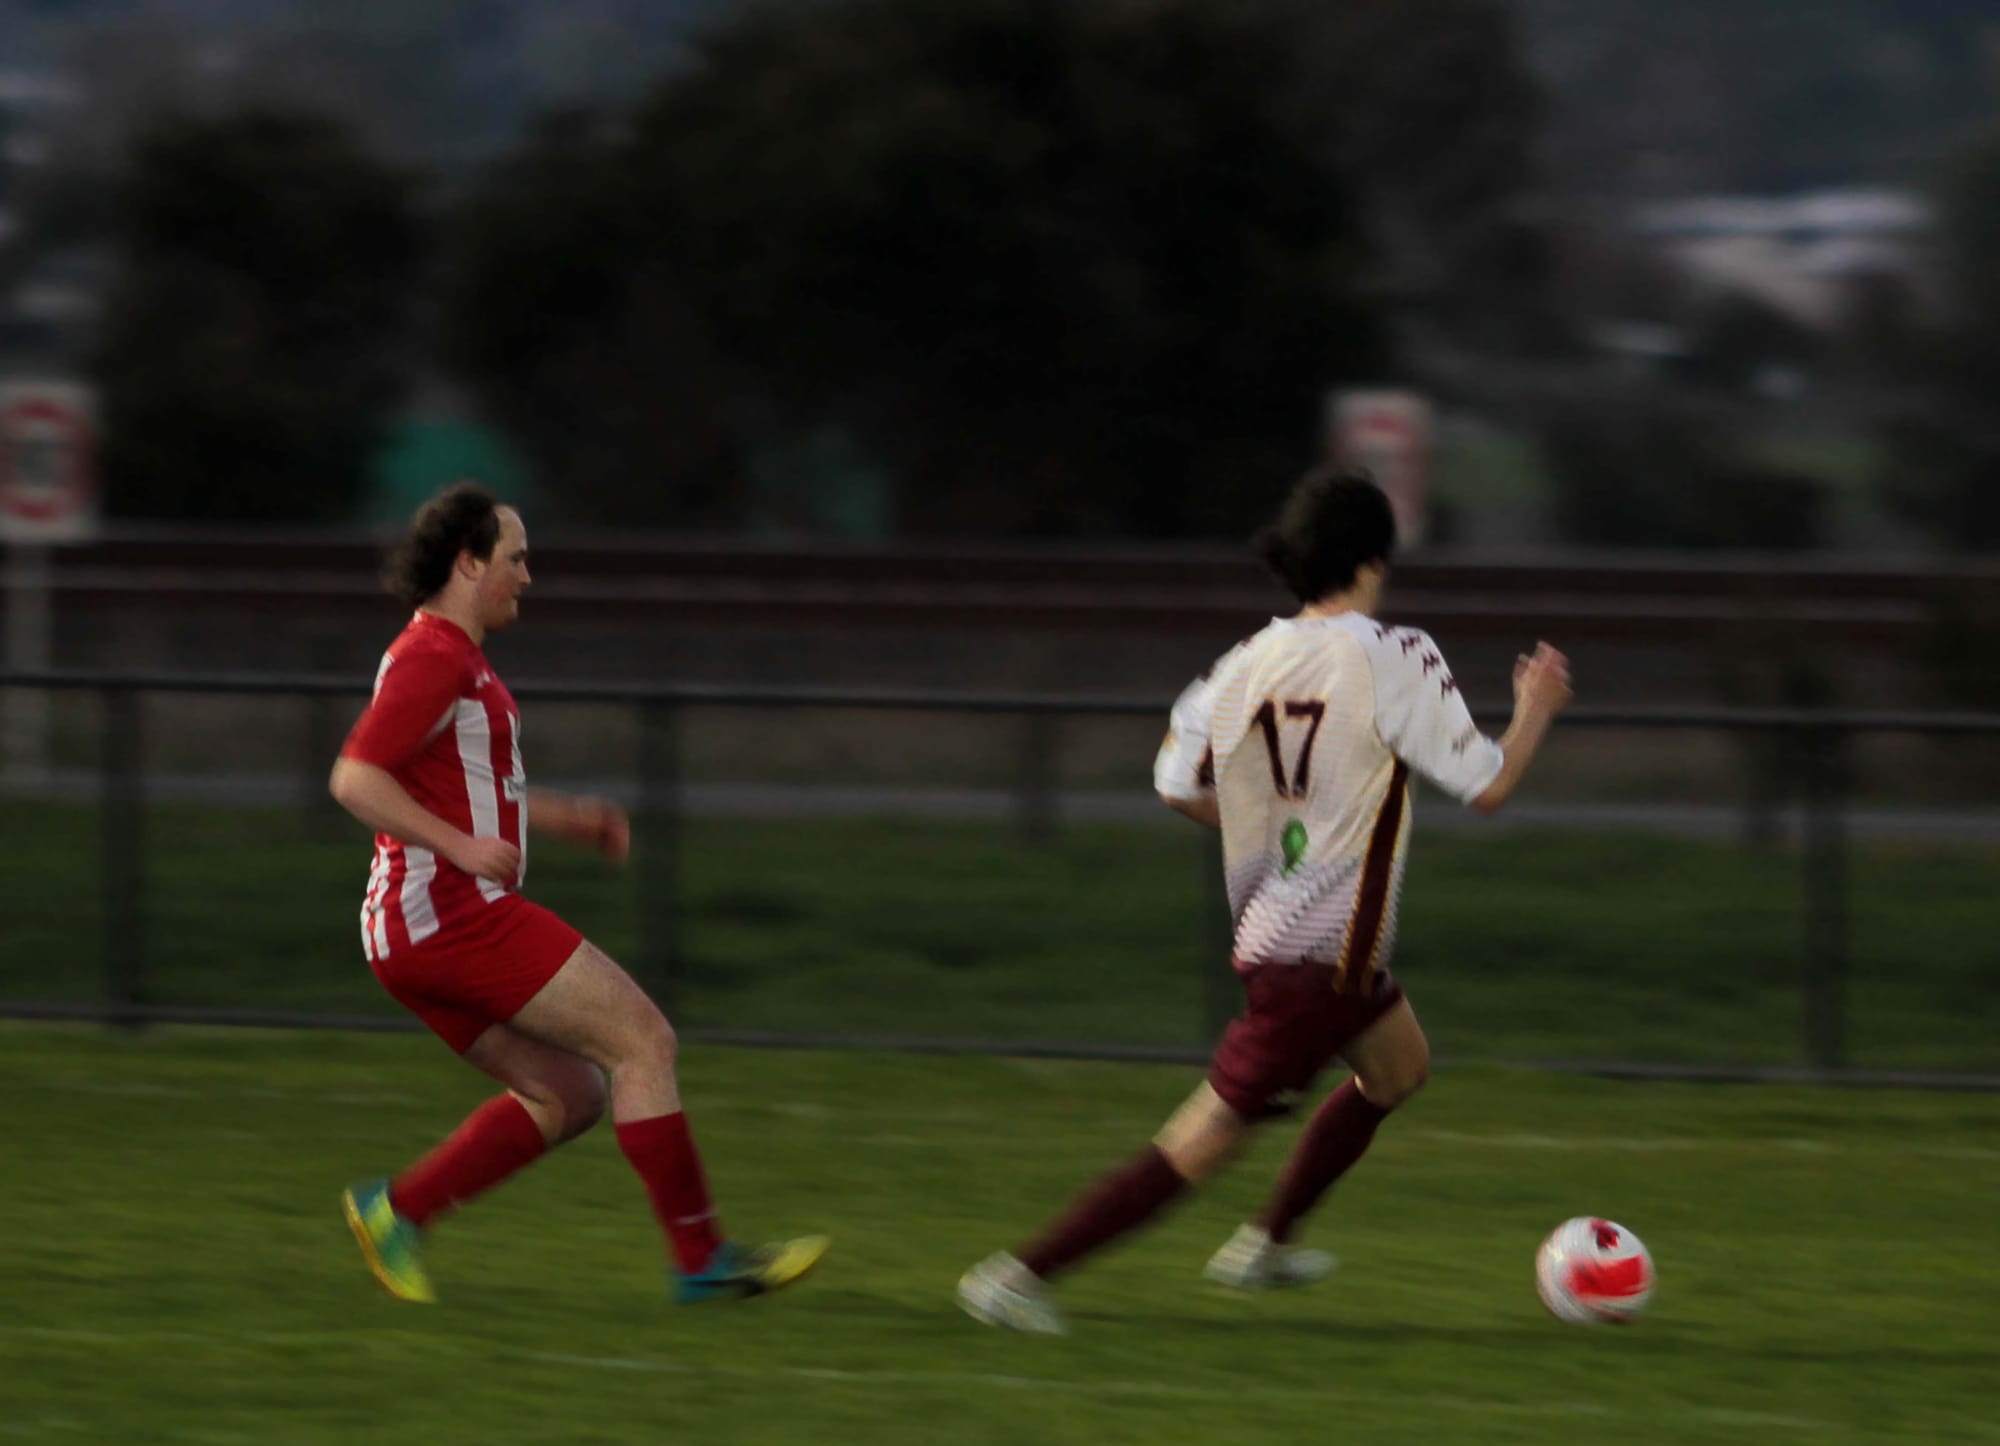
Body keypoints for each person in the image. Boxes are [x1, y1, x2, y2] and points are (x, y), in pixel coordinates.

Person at [957, 469, 1571, 1333]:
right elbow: (1489, 786)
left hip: (1291, 943)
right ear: (1373, 558)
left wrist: (1270, 823)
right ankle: (1019, 1276)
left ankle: (1267, 1245)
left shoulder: (1244, 661)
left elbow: (1175, 782)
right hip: (1319, 960)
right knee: (1198, 1143)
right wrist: (1537, 707)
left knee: (1398, 1067)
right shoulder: (1392, 652)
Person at [333, 481, 827, 1306]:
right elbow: (354, 777)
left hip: (409, 929)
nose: (528, 576)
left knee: (568, 1093)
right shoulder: (436, 658)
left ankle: (398, 1209)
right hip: (448, 917)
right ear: (467, 562)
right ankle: (702, 1258)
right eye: (516, 559)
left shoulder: (445, 654)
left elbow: (463, 786)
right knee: (643, 1040)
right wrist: (461, 848)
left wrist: (561, 819)